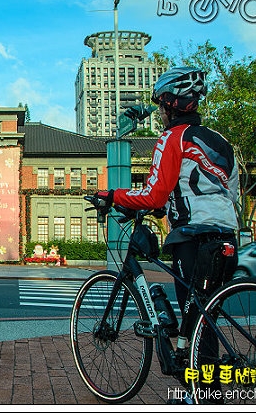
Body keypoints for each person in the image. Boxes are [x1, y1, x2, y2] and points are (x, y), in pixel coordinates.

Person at [93, 66, 239, 402]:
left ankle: (201, 395)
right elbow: (228, 193)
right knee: (204, 317)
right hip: (227, 234)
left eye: (161, 105)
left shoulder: (173, 138)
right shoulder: (220, 141)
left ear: (171, 104)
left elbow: (153, 195)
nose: (159, 112)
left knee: (196, 316)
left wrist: (112, 195)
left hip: (194, 237)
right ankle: (203, 391)